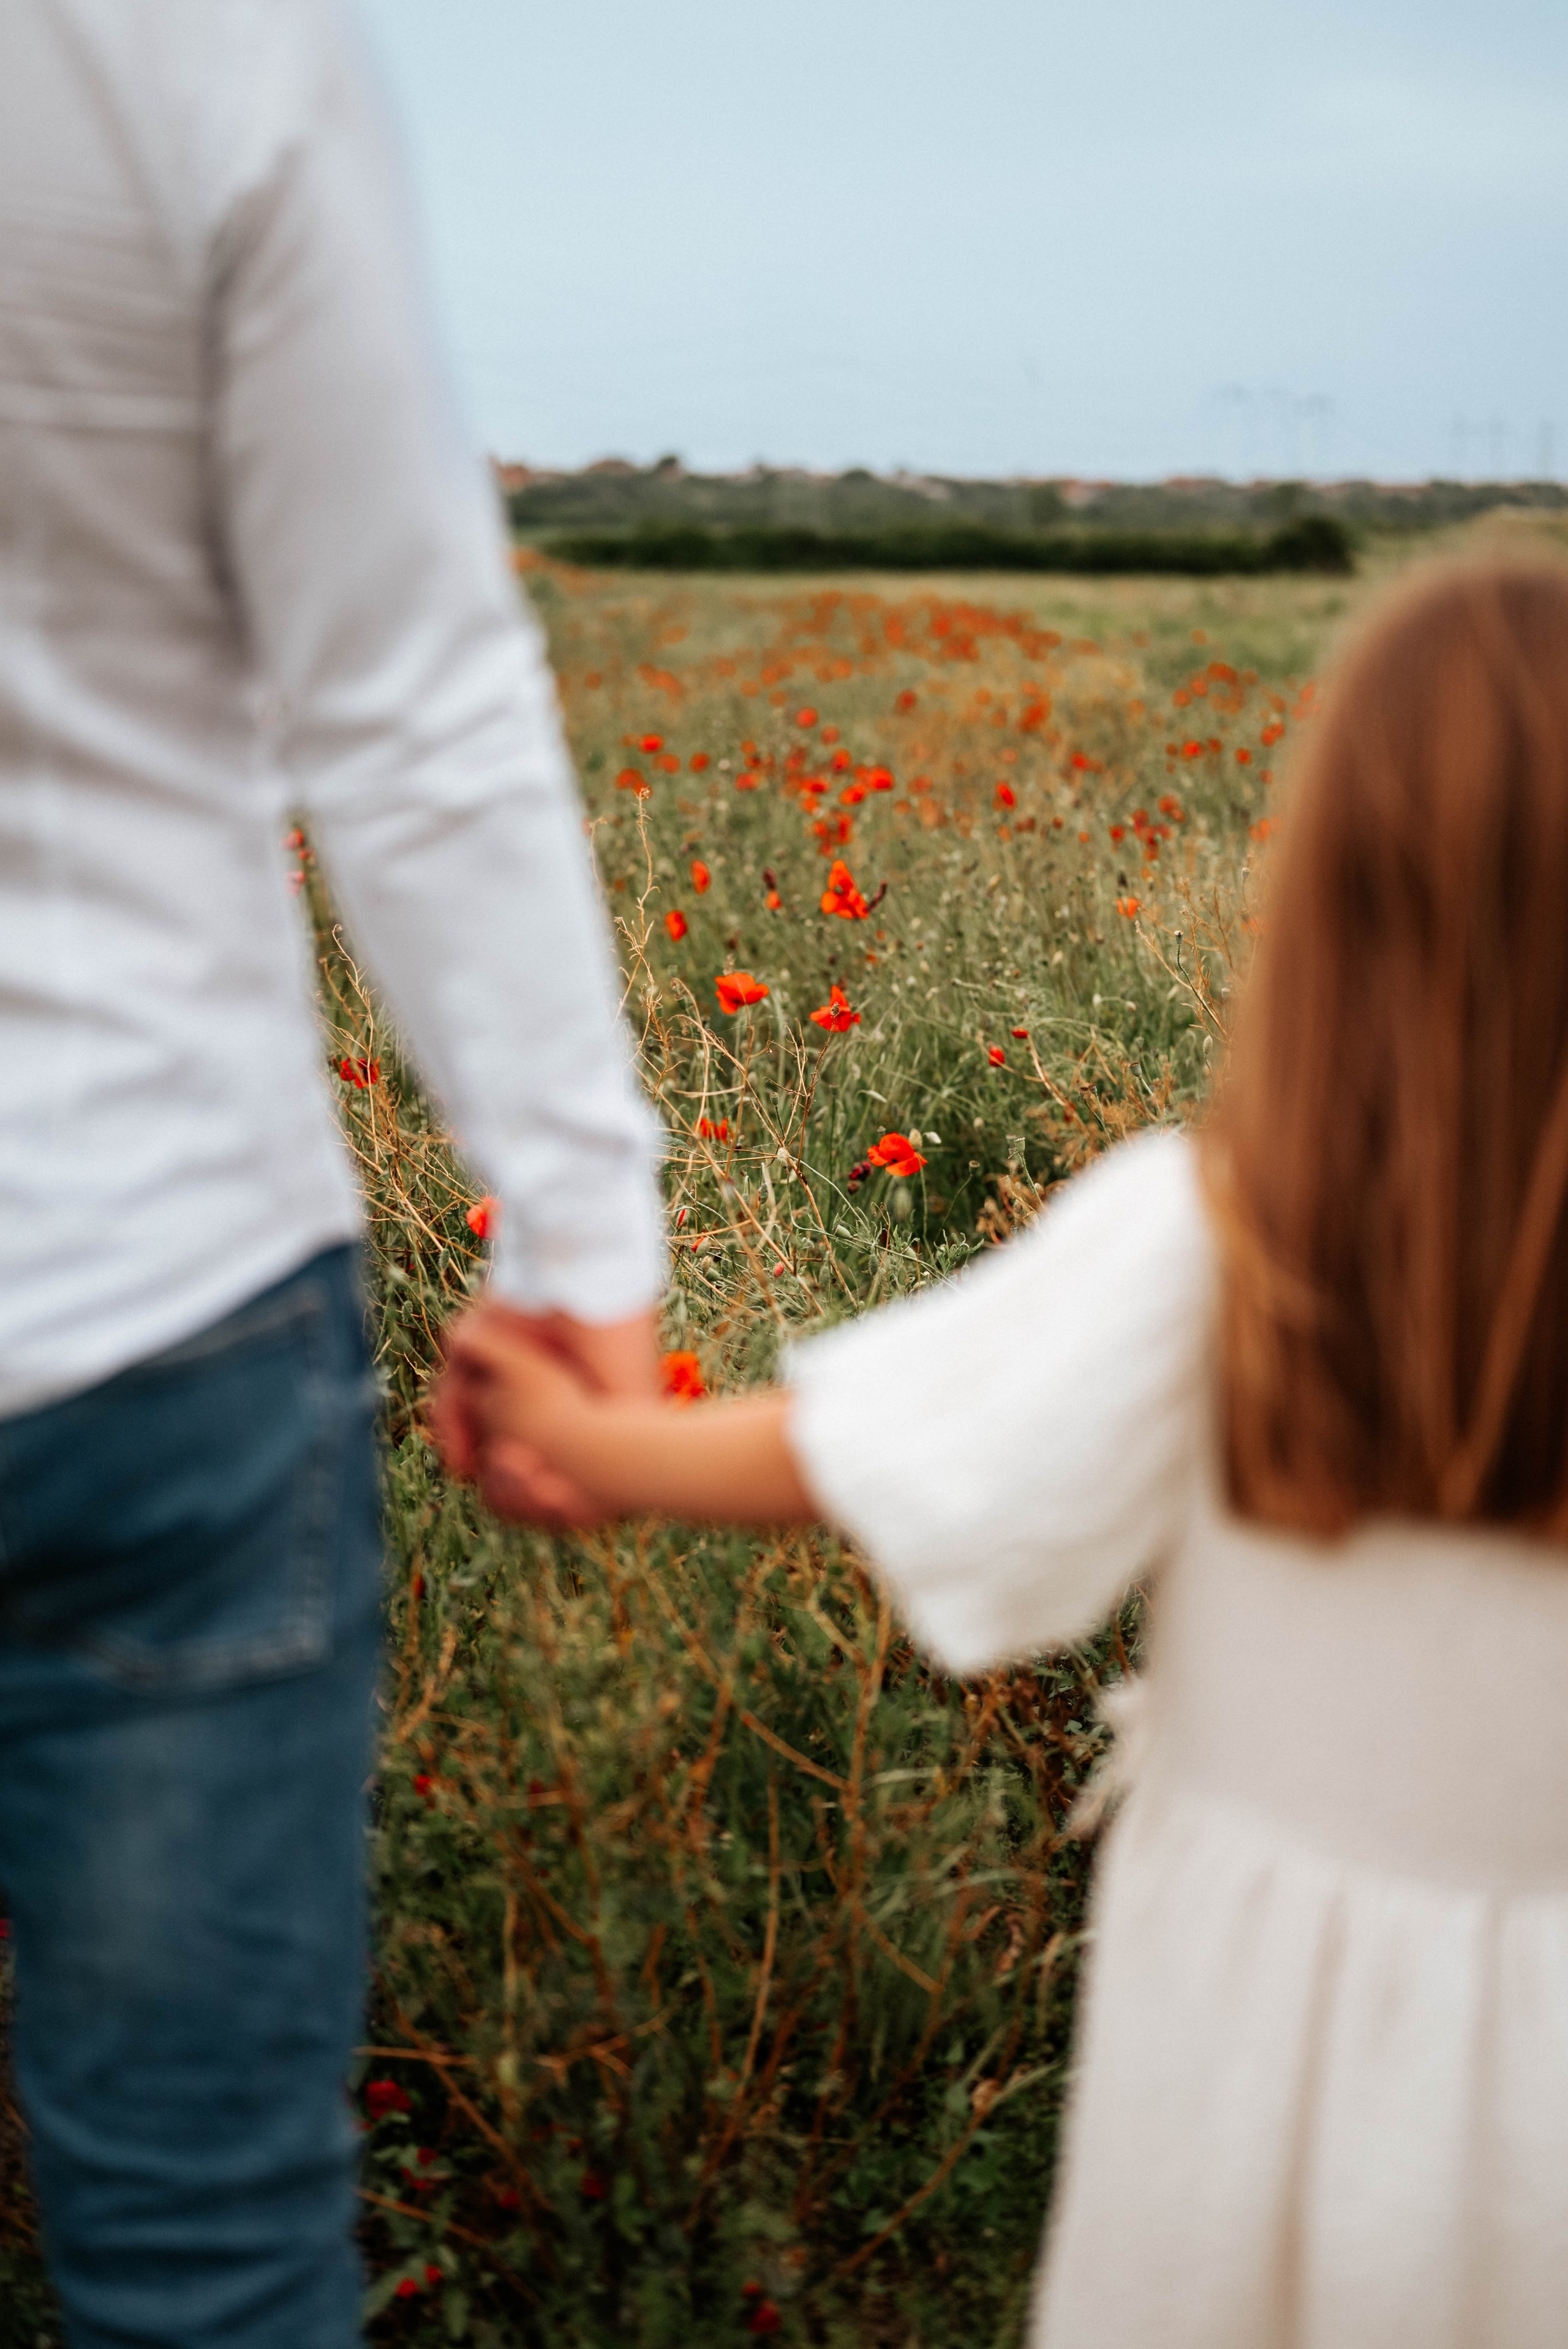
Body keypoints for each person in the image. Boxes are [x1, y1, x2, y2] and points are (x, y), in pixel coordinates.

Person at [450, 556, 1568, 2348]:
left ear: (1334, 899)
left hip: (1268, 2052)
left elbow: (881, 1449)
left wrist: (597, 1440)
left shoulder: (1220, 1247)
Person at [0, 2, 663, 2341]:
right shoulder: (204, 40)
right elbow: (401, 684)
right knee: (203, 2260)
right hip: (151, 1289)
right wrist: (581, 1237)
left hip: (167, 1320)